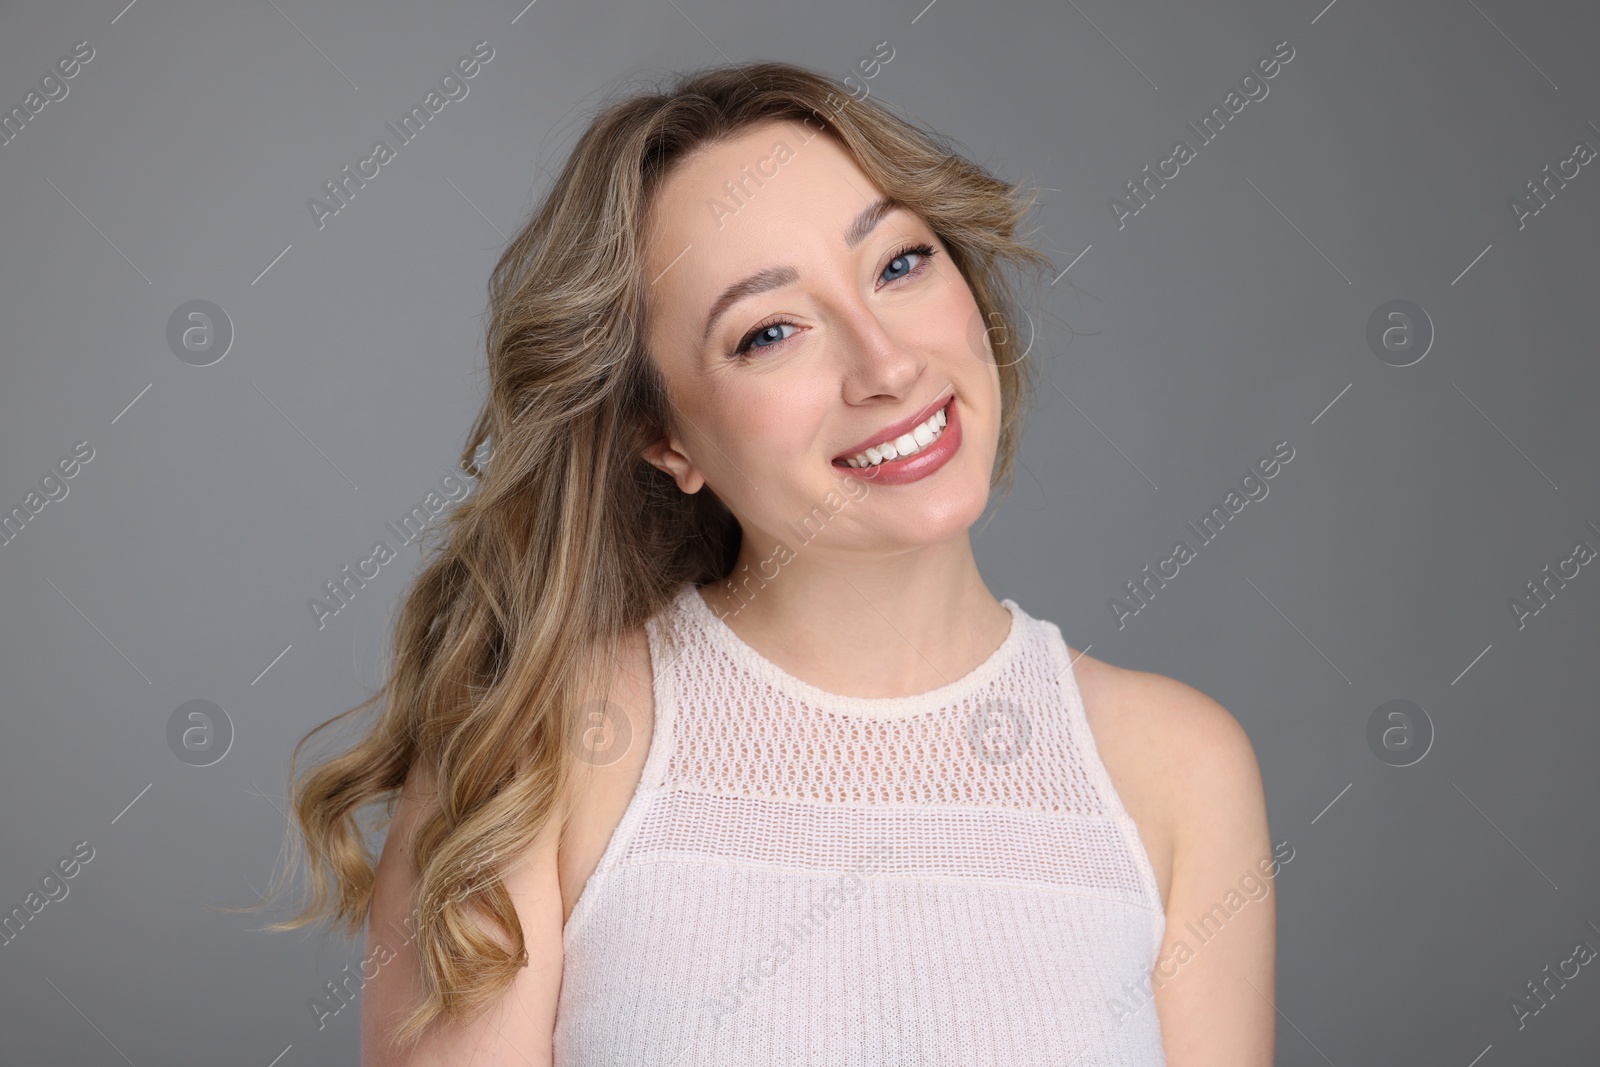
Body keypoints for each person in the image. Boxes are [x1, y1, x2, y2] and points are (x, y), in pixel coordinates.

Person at [265, 60, 1274, 1066]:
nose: (886, 364)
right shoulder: (530, 761)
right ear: (664, 439)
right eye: (770, 332)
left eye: (898, 264)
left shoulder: (1178, 768)